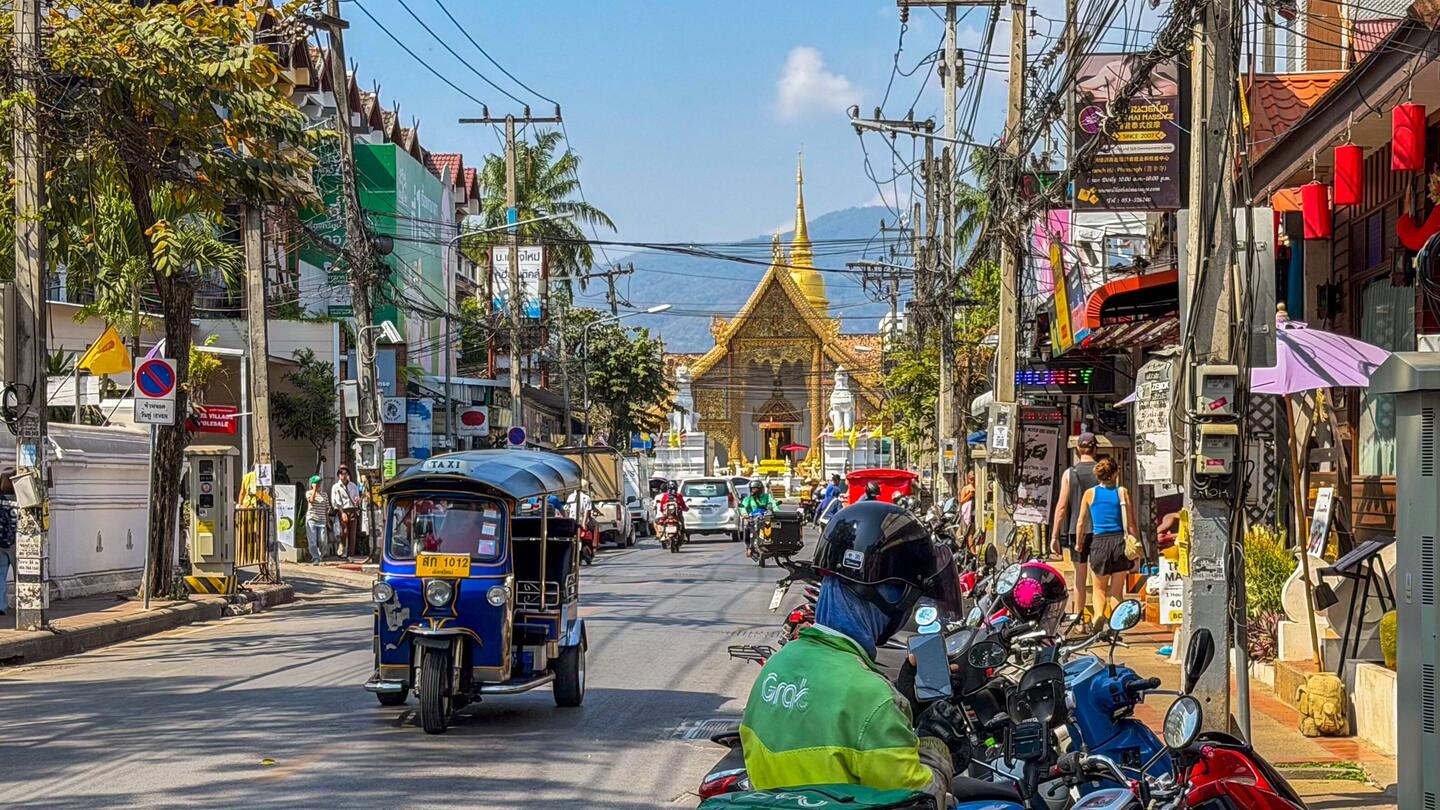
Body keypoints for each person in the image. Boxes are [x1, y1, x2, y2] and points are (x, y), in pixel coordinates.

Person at [739, 501, 970, 807]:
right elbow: (922, 800)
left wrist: (905, 699)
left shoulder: (777, 666)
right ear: (894, 594)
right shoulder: (872, 699)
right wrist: (935, 743)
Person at [1074, 457, 1139, 624]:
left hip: (1099, 543)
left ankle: (1098, 615)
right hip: (1119, 543)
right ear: (1116, 473)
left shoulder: (1090, 494)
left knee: (1099, 589)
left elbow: (1081, 522)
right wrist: (1136, 543)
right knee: (1117, 592)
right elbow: (1131, 523)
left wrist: (1079, 543)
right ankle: (1115, 625)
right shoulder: (1122, 492)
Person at [1050, 432, 1100, 618]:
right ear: (1095, 449)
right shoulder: (1102, 471)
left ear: (1078, 449)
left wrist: (1055, 536)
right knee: (1099, 578)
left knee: (1080, 577)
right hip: (1099, 530)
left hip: (1075, 531)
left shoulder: (1069, 473)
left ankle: (1080, 619)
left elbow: (1061, 507)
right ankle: (1099, 617)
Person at [741, 479, 779, 554]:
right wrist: (744, 514)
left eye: (756, 488)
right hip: (753, 518)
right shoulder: (749, 498)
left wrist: (777, 512)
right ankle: (749, 547)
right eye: (752, 488)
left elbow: (773, 504)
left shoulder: (767, 497)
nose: (754, 490)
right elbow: (743, 507)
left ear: (761, 489)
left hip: (765, 518)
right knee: (747, 529)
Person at [330, 465, 360, 559]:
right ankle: (342, 545)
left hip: (353, 509)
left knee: (352, 533)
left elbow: (357, 497)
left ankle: (350, 554)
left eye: (345, 473)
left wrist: (357, 501)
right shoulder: (336, 487)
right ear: (338, 475)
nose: (343, 475)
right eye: (341, 473)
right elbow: (335, 502)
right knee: (344, 530)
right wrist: (342, 512)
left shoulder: (353, 485)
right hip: (342, 509)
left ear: (348, 474)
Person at [304, 475, 330, 564]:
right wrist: (314, 490)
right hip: (312, 518)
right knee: (312, 541)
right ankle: (315, 557)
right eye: (316, 483)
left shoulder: (324, 495)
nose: (318, 485)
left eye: (319, 483)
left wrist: (328, 521)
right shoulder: (309, 493)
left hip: (322, 519)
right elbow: (311, 501)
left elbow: (327, 508)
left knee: (322, 540)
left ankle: (321, 555)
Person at [0, 475, 16, 616]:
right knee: (23, 576)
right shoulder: (22, 498)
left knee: (0, 575)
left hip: (1, 542)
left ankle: (1, 605)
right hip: (18, 543)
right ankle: (23, 604)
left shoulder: (0, 499)